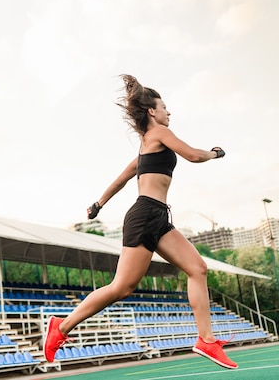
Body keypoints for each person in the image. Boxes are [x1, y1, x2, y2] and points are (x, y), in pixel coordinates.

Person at [44, 74, 237, 370]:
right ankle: (62, 326)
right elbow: (194, 156)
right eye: (164, 108)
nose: (168, 112)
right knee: (122, 287)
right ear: (152, 112)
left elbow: (121, 180)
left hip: (157, 217)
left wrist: (99, 203)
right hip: (146, 214)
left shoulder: (146, 146)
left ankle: (207, 341)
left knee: (197, 268)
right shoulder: (159, 134)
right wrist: (214, 152)